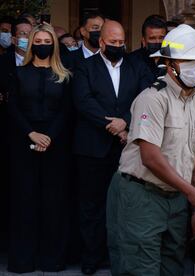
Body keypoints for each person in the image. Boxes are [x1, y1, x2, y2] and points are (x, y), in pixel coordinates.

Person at [106, 24, 195, 275]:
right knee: (140, 268)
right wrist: (192, 194)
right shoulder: (153, 98)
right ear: (169, 64)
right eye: (186, 62)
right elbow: (150, 157)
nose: (194, 68)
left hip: (176, 200)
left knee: (176, 267)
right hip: (141, 196)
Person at [72, 20, 152, 275]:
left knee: (125, 205)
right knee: (91, 206)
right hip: (93, 147)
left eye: (121, 42)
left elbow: (145, 97)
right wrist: (112, 125)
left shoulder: (136, 66)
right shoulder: (84, 67)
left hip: (126, 148)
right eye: (113, 42)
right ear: (102, 42)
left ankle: (120, 257)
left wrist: (126, 123)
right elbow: (83, 101)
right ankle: (91, 258)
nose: (118, 46)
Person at [7, 23, 72, 273]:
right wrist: (31, 134)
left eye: (47, 42)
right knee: (24, 202)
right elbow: (13, 107)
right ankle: (22, 261)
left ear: (53, 45)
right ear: (31, 43)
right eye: (39, 41)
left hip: (55, 146)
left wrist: (49, 137)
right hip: (24, 143)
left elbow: (67, 110)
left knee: (53, 203)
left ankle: (52, 259)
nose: (43, 46)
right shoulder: (19, 73)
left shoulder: (64, 74)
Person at [0, 17, 33, 251]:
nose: (23, 38)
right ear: (13, 38)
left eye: (27, 34)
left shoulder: (46, 62)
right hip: (8, 131)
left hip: (38, 132)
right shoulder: (3, 62)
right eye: (19, 34)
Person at [128, 14, 167, 80]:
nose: (157, 42)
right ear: (143, 41)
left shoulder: (171, 60)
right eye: (152, 38)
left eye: (161, 38)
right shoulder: (131, 61)